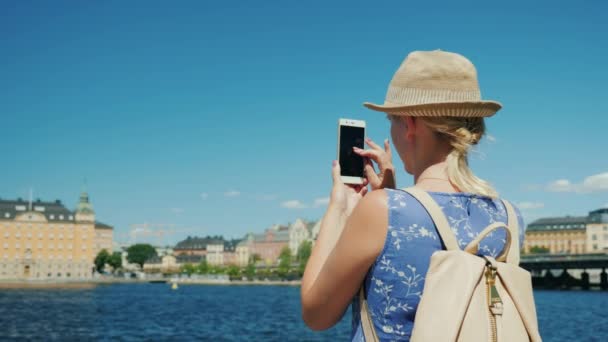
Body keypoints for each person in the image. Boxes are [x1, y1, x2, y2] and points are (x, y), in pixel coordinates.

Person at [300, 50, 525, 341]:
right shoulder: (509, 215)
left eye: (392, 120)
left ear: (410, 124)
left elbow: (316, 314)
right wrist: (390, 198)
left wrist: (341, 207)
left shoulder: (382, 210)